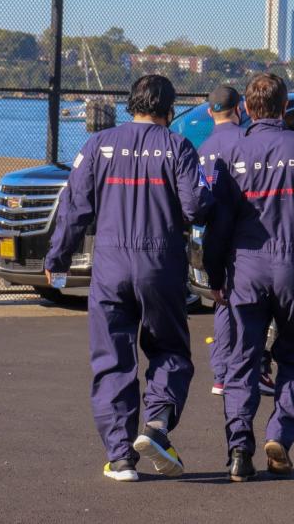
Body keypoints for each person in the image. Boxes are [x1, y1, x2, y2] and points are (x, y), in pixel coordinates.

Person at [44, 74, 213, 482]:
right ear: (169, 110)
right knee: (169, 350)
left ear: (130, 103)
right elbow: (197, 207)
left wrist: (58, 258)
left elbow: (74, 208)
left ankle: (119, 457)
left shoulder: (98, 145)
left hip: (110, 267)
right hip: (161, 265)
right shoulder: (178, 146)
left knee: (112, 360)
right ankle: (156, 423)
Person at [204, 73, 294, 482]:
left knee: (241, 364)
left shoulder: (232, 151)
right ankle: (280, 437)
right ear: (287, 109)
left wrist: (215, 276)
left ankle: (238, 449)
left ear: (247, 109)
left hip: (246, 269)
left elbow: (218, 223)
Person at [198, 84, 275, 397]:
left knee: (222, 303)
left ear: (208, 112)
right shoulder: (246, 140)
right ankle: (247, 371)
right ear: (241, 108)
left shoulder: (202, 147)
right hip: (248, 235)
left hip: (212, 233)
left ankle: (221, 373)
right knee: (249, 309)